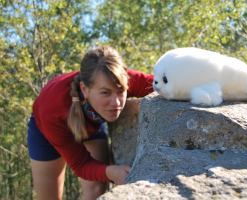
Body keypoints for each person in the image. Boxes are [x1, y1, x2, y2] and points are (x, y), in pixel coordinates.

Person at [27, 46, 153, 200]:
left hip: (90, 123)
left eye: (121, 91)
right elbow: (80, 164)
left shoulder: (119, 78)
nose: (116, 103)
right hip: (46, 130)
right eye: (105, 92)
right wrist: (112, 172)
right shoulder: (53, 108)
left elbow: (166, 83)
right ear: (84, 90)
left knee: (97, 185)